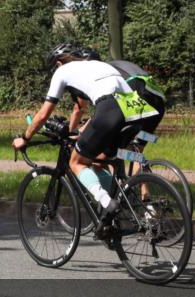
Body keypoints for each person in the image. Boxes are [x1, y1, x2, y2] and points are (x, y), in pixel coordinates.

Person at [12, 44, 159, 236]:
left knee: (76, 161)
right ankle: (125, 204)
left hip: (111, 108)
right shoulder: (99, 65)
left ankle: (108, 203)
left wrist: (24, 138)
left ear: (59, 63)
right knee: (106, 158)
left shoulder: (62, 71)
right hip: (139, 111)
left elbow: (43, 114)